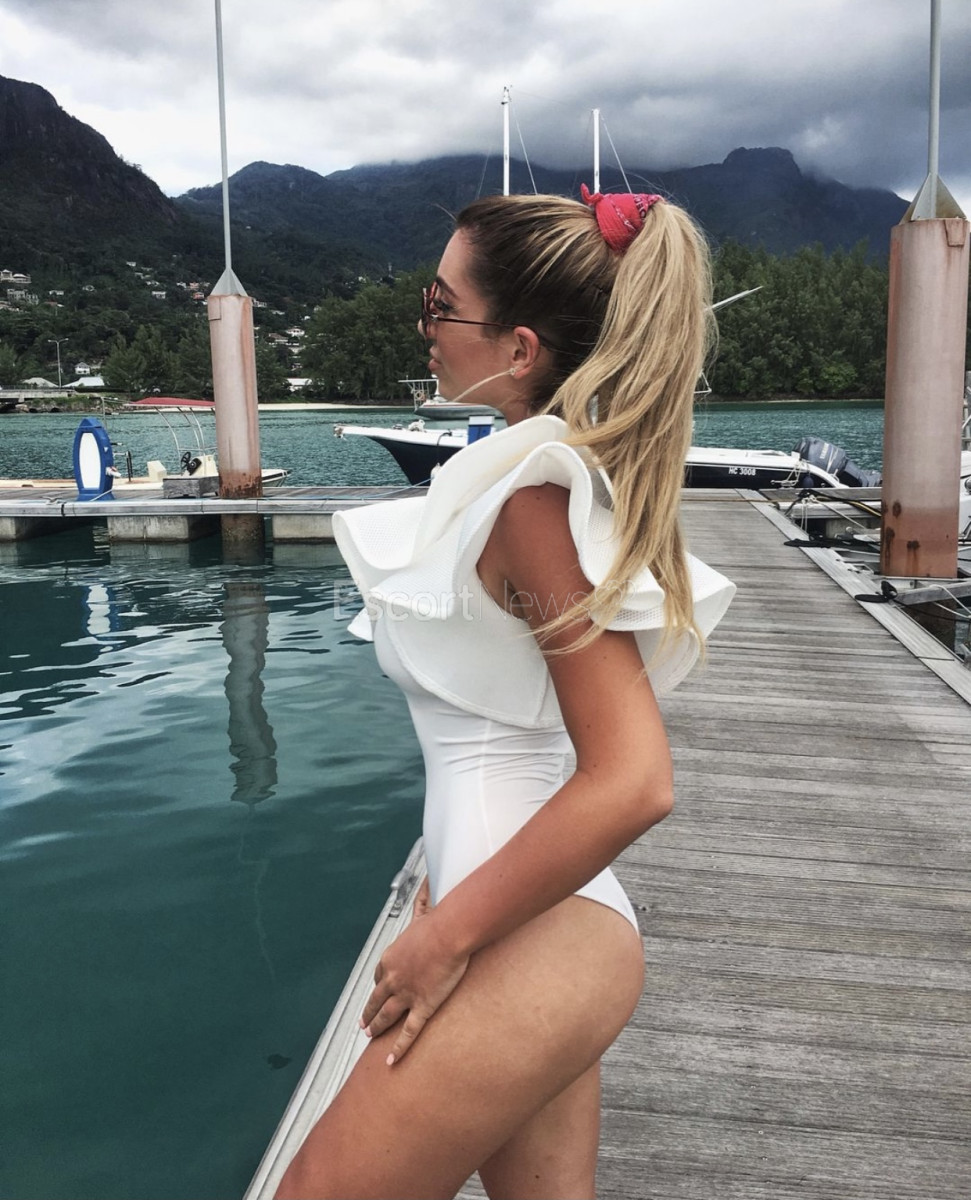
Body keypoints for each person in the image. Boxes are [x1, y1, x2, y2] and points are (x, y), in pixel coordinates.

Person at [276, 186, 735, 1199]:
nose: (424, 324)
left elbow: (634, 778)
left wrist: (444, 935)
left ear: (519, 350)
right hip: (519, 911)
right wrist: (450, 885)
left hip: (530, 936)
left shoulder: (532, 506)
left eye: (440, 305)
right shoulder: (522, 489)